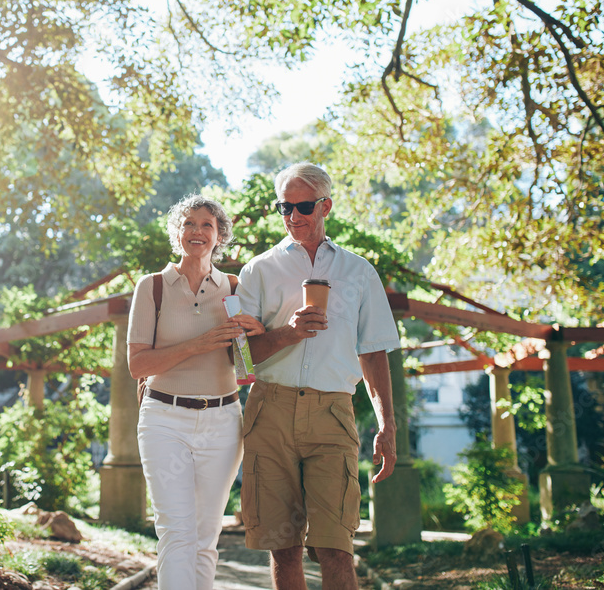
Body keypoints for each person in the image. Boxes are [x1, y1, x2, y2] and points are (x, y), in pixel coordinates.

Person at [237, 163, 400, 590]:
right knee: (284, 547)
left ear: (325, 205)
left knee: (335, 546)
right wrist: (289, 334)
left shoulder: (359, 272)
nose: (293, 216)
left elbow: (374, 350)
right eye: (284, 207)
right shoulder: (258, 270)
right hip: (270, 410)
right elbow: (241, 357)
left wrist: (387, 425)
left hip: (333, 413)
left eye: (303, 206)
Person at [127, 194, 265, 590]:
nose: (197, 231)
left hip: (223, 420)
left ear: (219, 235)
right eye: (189, 223)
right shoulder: (152, 287)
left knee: (205, 538)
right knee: (175, 530)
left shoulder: (234, 287)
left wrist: (253, 338)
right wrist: (198, 344)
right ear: (177, 232)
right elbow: (139, 365)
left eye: (207, 225)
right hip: (164, 419)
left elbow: (245, 369)